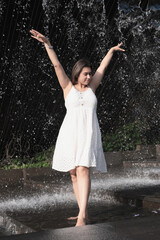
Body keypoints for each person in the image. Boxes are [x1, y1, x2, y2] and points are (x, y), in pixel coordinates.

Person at [30, 29, 125, 227]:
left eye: (90, 74)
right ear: (77, 73)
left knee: (83, 169)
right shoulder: (67, 88)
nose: (89, 77)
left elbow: (102, 68)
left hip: (88, 133)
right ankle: (83, 211)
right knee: (73, 173)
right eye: (85, 74)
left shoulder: (92, 88)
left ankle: (81, 216)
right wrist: (47, 44)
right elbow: (56, 65)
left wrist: (110, 51)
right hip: (69, 134)